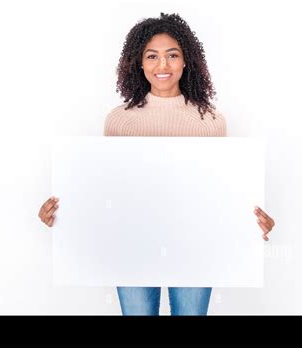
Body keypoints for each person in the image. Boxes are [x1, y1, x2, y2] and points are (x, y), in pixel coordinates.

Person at [38, 13, 275, 316]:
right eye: (152, 56)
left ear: (186, 60)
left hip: (195, 247)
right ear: (139, 62)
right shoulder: (119, 121)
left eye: (172, 55)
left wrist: (252, 225)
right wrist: (63, 216)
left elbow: (220, 193)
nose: (162, 66)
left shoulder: (211, 122)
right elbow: (105, 192)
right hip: (132, 245)